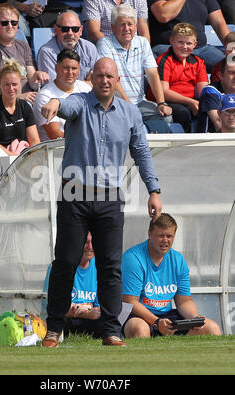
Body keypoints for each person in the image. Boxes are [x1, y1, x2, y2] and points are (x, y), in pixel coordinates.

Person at [40, 57, 162, 348]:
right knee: (66, 262)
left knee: (110, 265)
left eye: (110, 76)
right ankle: (54, 329)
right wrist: (56, 105)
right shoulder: (80, 102)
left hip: (109, 197)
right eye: (99, 76)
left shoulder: (131, 113)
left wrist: (153, 190)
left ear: (117, 80)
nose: (105, 80)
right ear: (91, 78)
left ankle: (110, 330)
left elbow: (142, 154)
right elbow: (66, 106)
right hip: (75, 195)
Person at [121, 213, 222, 338]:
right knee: (140, 328)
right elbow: (130, 302)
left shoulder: (178, 260)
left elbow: (184, 301)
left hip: (167, 316)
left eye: (169, 236)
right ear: (149, 234)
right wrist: (157, 322)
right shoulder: (133, 258)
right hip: (138, 316)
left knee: (212, 328)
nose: (165, 240)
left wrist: (194, 319)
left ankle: (183, 356)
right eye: (160, 236)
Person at [96, 4, 172, 128]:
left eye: (130, 24)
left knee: (166, 118)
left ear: (136, 27)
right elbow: (111, 80)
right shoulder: (104, 44)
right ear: (113, 28)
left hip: (140, 102)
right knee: (127, 122)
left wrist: (161, 103)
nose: (127, 28)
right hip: (115, 102)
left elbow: (152, 74)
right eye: (122, 24)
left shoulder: (142, 43)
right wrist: (128, 105)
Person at [0, 3, 49, 105]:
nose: (10, 26)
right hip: (3, 101)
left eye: (14, 23)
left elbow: (31, 79)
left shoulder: (23, 45)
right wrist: (18, 96)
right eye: (4, 23)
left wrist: (37, 75)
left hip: (27, 99)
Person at [42, 232, 103, 338]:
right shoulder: (59, 268)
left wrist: (82, 310)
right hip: (68, 320)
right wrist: (84, 313)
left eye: (93, 242)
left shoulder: (99, 267)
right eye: (85, 242)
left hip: (90, 320)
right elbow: (54, 307)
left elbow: (98, 308)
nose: (90, 247)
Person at [151, 23, 208, 132]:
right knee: (183, 113)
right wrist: (190, 102)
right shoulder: (164, 60)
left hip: (189, 101)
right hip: (167, 102)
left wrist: (206, 104)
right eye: (180, 42)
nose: (185, 47)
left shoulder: (198, 62)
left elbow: (204, 90)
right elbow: (164, 91)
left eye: (189, 43)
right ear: (171, 41)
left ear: (195, 44)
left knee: (208, 109)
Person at [0, 59, 40, 157]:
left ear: (20, 84)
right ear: (0, 85)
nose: (11, 88)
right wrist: (14, 159)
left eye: (14, 84)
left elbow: (35, 141)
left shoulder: (25, 107)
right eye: (7, 84)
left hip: (20, 154)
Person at [147, 0, 230, 73]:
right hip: (169, 47)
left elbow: (219, 24)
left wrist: (231, 47)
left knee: (230, 67)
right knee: (183, 72)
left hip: (202, 49)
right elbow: (163, 15)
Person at [34, 49, 91, 141]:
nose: (70, 72)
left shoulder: (85, 88)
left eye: (74, 68)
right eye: (65, 68)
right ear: (56, 68)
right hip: (56, 150)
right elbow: (55, 135)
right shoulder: (45, 96)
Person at [37, 10, 99, 82]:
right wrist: (86, 83)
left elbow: (96, 80)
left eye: (75, 29)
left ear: (81, 31)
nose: (70, 33)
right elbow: (55, 85)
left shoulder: (90, 48)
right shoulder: (47, 52)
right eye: (65, 29)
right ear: (55, 30)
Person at [82, 0, 150, 45]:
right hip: (106, 49)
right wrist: (116, 50)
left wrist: (144, 51)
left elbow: (144, 32)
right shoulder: (93, 1)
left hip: (135, 50)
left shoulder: (140, 1)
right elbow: (94, 33)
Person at [197, 58, 235, 133]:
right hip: (211, 142)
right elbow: (219, 123)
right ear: (221, 75)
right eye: (231, 73)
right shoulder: (210, 91)